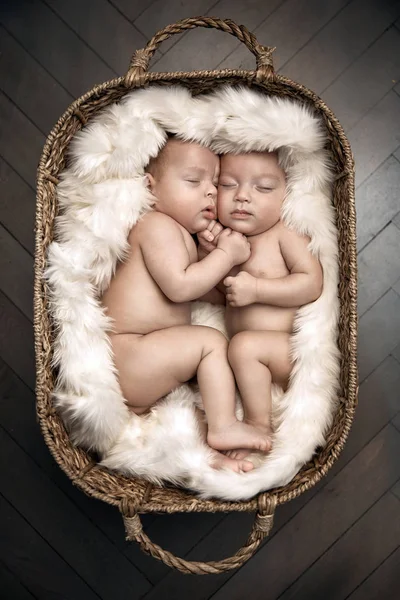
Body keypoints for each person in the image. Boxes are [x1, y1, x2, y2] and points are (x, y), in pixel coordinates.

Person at [101, 137, 272, 473]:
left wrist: (215, 262)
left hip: (147, 363)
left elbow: (200, 290)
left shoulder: (179, 235)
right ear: (151, 187)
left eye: (213, 183)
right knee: (209, 342)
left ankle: (210, 457)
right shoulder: (154, 225)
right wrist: (224, 256)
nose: (209, 192)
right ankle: (224, 426)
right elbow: (180, 288)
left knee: (190, 414)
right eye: (193, 181)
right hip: (130, 352)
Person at [197, 150, 324, 458]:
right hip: (251, 357)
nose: (242, 196)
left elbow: (311, 283)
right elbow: (219, 297)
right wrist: (209, 258)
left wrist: (257, 289)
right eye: (228, 185)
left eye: (263, 188)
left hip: (287, 351)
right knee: (219, 357)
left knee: (243, 347)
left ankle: (257, 424)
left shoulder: (284, 234)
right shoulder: (227, 240)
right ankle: (227, 423)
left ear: (285, 195)